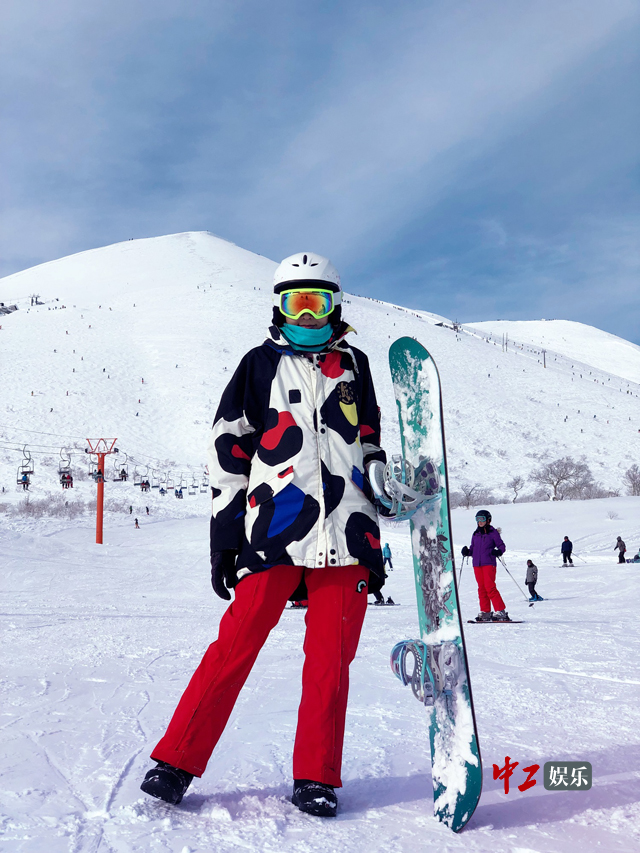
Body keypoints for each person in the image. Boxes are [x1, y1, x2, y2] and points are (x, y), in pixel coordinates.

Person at [140, 252, 389, 817]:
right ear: (278, 307)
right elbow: (228, 451)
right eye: (295, 303)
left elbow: (368, 435)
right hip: (273, 528)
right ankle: (176, 760)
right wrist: (224, 538)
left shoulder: (356, 365)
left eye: (317, 302)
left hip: (348, 532)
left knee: (330, 661)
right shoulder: (258, 365)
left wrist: (377, 470)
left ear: (336, 305)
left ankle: (316, 776)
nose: (307, 315)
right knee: (235, 646)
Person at [461, 510, 508, 621]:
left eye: (482, 519)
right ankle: (485, 612)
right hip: (477, 564)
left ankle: (501, 611)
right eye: (477, 519)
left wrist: (498, 551)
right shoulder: (475, 534)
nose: (480, 522)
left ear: (488, 520)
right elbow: (473, 549)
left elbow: (502, 546)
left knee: (490, 587)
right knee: (481, 589)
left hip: (488, 563)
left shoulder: (493, 533)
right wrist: (467, 552)